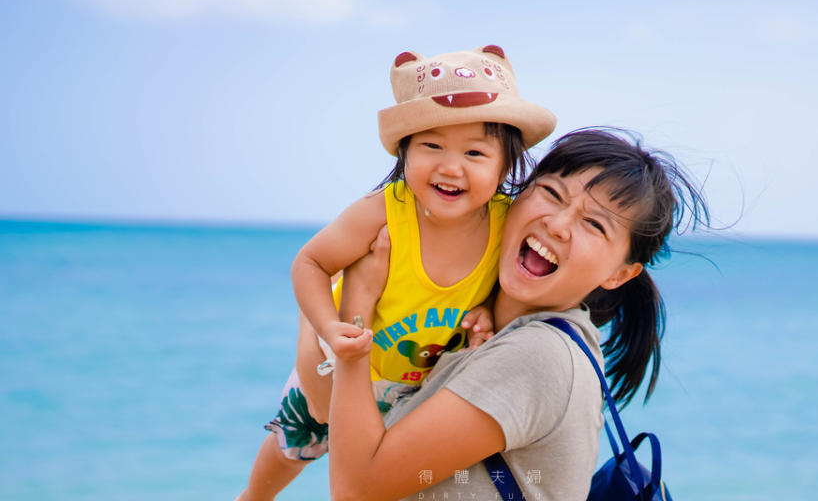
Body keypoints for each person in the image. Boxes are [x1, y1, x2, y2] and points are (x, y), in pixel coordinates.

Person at [236, 46, 556, 500]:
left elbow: (506, 286)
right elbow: (309, 263)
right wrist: (329, 327)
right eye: (432, 146)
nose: (451, 166)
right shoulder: (385, 213)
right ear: (403, 151)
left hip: (415, 390)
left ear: (505, 165)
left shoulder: (507, 224)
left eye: (474, 152)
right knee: (296, 441)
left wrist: (484, 308)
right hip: (339, 364)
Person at [327, 128, 709, 500]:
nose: (558, 226)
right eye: (552, 193)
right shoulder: (480, 330)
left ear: (620, 274)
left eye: (594, 224)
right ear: (516, 194)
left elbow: (355, 489)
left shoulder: (538, 355)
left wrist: (357, 308)